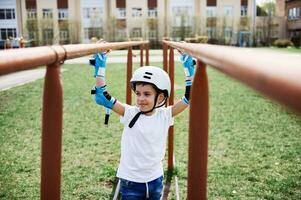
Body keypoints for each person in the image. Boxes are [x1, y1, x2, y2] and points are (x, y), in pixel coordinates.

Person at [90, 49, 196, 199]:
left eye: (147, 94)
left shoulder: (165, 115)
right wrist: (100, 65)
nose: (140, 99)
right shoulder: (130, 113)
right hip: (131, 182)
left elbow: (189, 97)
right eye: (138, 93)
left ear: (160, 98)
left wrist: (188, 65)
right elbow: (102, 97)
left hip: (156, 180)